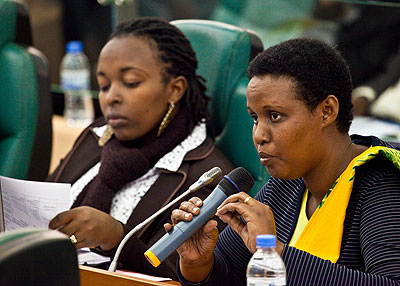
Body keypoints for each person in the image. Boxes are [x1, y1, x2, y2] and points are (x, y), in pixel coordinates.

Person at [167, 38, 400, 285]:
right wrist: (199, 263)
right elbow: (228, 273)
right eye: (255, 118)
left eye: (275, 116)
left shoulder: (382, 184)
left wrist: (273, 251)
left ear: (327, 111)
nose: (259, 135)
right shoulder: (285, 185)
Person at [47, 17, 233, 279]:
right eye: (103, 85)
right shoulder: (96, 135)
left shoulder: (208, 178)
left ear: (175, 89)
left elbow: (185, 275)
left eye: (131, 82)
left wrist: (116, 237)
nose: (111, 97)